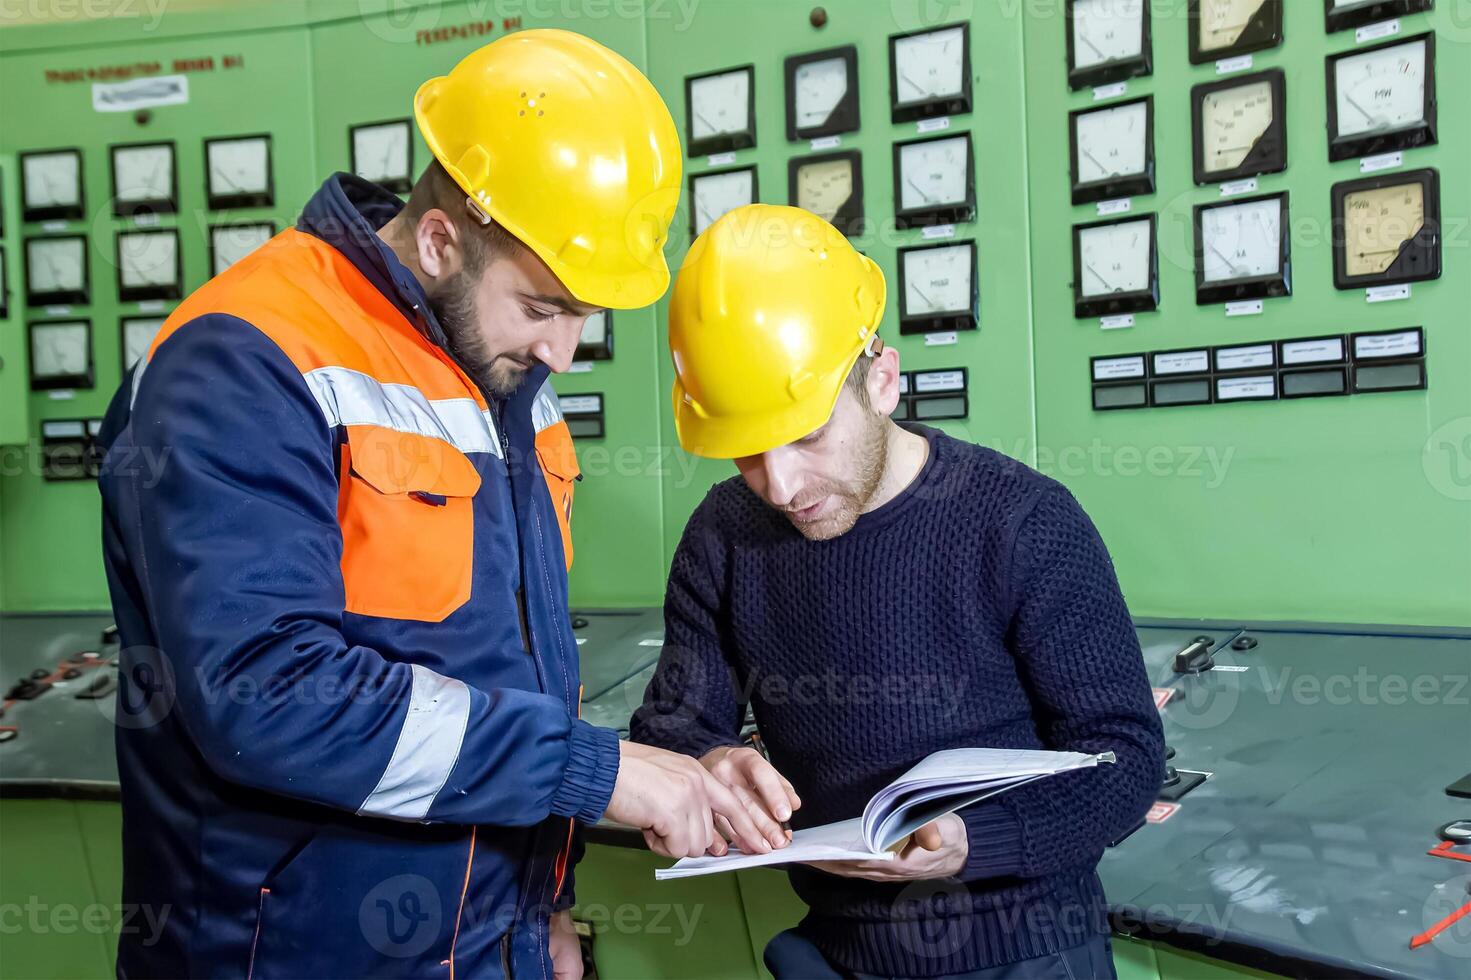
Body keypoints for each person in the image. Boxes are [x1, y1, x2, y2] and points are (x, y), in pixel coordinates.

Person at [97, 30, 767, 979]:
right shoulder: (244, 356)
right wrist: (597, 771)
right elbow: (266, 692)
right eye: (543, 307)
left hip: (492, 946)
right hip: (290, 955)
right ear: (442, 239)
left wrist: (547, 911)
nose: (563, 352)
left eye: (585, 315)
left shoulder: (504, 378)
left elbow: (506, 673)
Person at [630, 205, 1165, 979]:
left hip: (1029, 952)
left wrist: (972, 845)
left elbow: (1124, 758)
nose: (779, 485)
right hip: (833, 947)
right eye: (746, 451)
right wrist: (705, 757)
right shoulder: (724, 534)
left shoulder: (1021, 521)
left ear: (881, 379)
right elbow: (671, 721)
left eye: (807, 436)